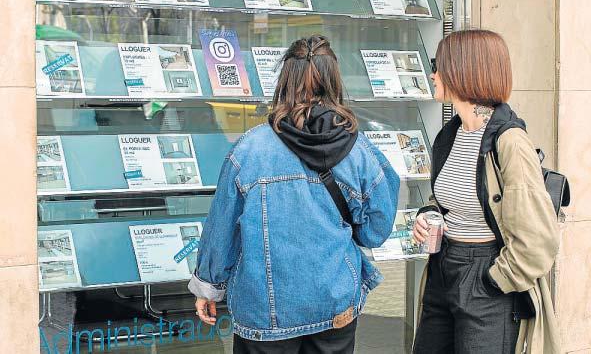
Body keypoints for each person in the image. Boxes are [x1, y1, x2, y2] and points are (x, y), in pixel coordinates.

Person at [188, 35, 400, 353]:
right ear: (333, 80)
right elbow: (375, 232)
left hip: (265, 312)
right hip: (335, 304)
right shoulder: (359, 149)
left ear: (284, 80)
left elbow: (223, 229)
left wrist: (208, 286)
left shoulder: (249, 150)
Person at [412, 29, 560, 354]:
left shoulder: (509, 142)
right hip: (442, 268)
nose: (433, 74)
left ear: (463, 71)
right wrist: (429, 214)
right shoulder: (449, 135)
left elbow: (539, 239)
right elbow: (449, 198)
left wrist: (494, 281)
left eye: (439, 66)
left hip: (485, 276)